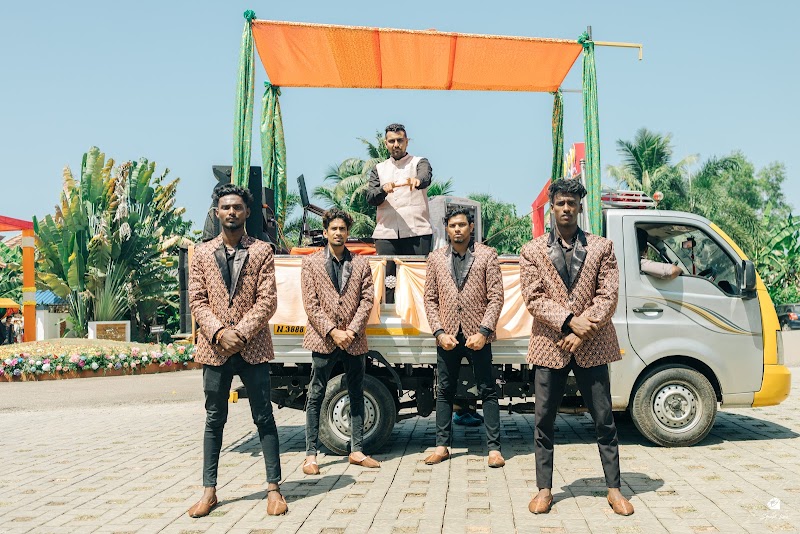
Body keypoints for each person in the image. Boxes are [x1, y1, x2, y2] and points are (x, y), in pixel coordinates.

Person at [520, 179, 634, 516]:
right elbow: (534, 298)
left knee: (604, 419)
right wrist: (570, 321)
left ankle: (614, 489)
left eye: (572, 203)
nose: (566, 208)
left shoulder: (602, 247)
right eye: (560, 203)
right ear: (552, 208)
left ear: (580, 206)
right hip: (550, 345)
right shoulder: (532, 250)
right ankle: (544, 490)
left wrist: (582, 332)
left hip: (593, 344)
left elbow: (608, 296)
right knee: (544, 420)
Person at [187, 183, 287, 517]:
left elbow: (267, 300)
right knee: (214, 419)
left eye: (238, 207)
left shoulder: (262, 250)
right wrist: (219, 333)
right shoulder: (201, 253)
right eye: (226, 207)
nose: (232, 212)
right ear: (217, 212)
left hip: (252, 347)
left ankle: (274, 489)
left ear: (247, 212)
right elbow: (197, 300)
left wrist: (240, 333)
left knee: (264, 417)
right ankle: (209, 491)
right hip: (215, 350)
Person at [422, 208, 505, 467]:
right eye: (452, 225)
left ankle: (494, 450)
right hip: (448, 336)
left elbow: (496, 297)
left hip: (477, 335)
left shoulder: (487, 255)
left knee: (487, 390)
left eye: (461, 225)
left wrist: (483, 332)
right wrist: (439, 333)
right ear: (446, 229)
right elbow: (430, 299)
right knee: (444, 391)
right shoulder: (435, 258)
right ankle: (441, 446)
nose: (457, 229)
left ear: (471, 227)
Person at [301, 208, 380, 474]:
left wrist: (352, 331)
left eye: (342, 229)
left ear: (348, 233)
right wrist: (333, 331)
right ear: (325, 233)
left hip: (354, 340)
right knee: (315, 394)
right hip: (323, 339)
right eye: (333, 229)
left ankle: (357, 451)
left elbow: (367, 300)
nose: (338, 233)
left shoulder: (361, 263)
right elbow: (311, 304)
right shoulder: (310, 263)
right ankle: (310, 455)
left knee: (357, 392)